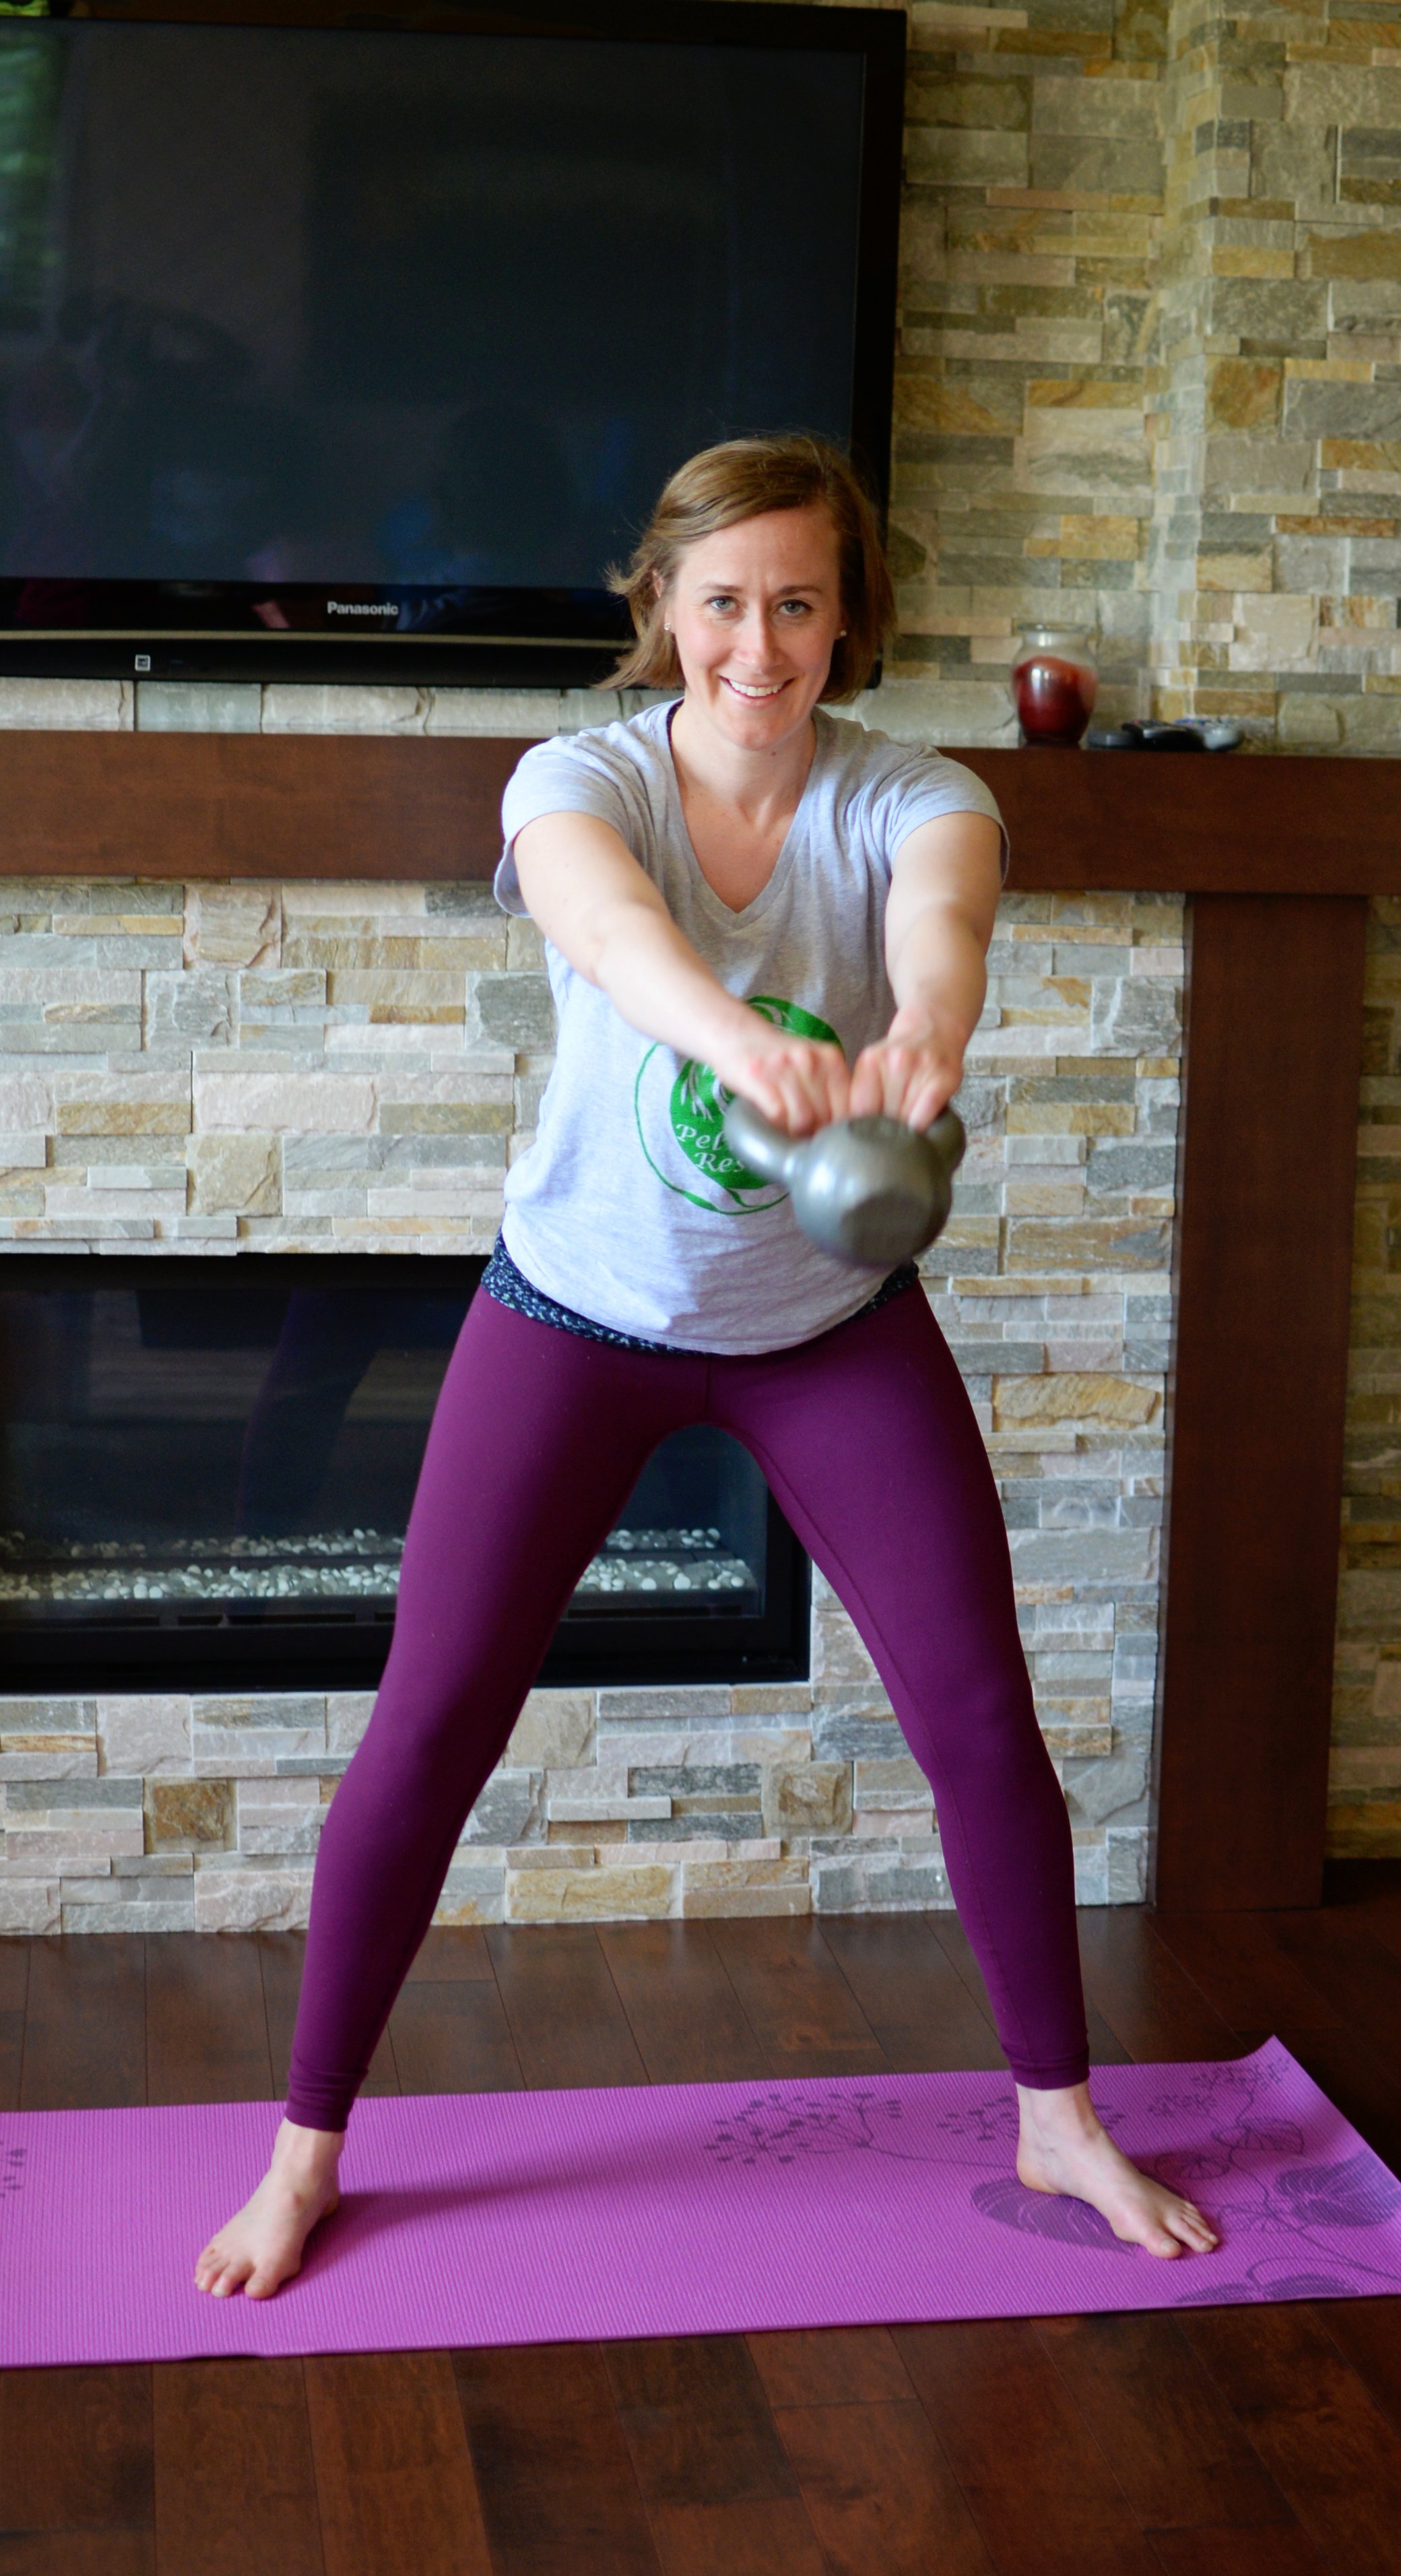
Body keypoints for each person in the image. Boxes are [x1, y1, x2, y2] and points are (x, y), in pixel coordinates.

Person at [196, 434, 1218, 2299]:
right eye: (725, 598)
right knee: (428, 1725)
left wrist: (927, 1031)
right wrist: (740, 1040)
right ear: (660, 609)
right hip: (573, 1319)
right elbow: (604, 923)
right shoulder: (578, 774)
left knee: (981, 1720)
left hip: (823, 1336)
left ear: (851, 620)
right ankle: (307, 2150)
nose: (762, 641)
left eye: (802, 602)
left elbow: (946, 917)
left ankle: (1057, 2116)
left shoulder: (917, 792)